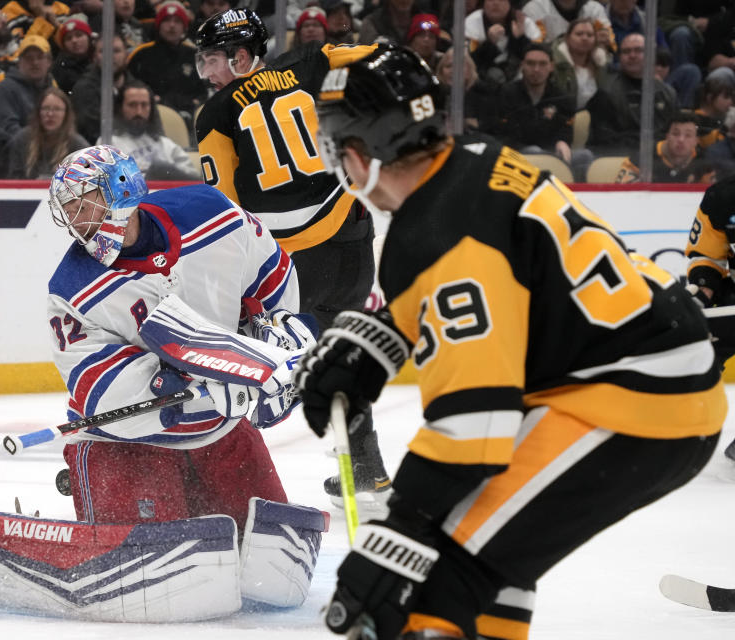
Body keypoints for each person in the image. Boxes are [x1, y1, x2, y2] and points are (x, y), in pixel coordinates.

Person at [298, 44, 726, 640]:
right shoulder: (478, 158)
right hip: (646, 379)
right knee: (493, 567)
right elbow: (500, 281)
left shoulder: (434, 236)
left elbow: (474, 429)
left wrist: (398, 532)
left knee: (431, 578)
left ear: (361, 149)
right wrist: (386, 336)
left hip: (631, 402)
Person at [45, 144, 325, 609]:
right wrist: (159, 385)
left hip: (222, 431)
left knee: (269, 574)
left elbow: (271, 277)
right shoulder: (71, 287)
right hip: (125, 446)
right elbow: (91, 382)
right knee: (158, 585)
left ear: (121, 188)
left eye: (84, 200)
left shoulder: (210, 212)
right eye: (68, 209)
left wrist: (278, 341)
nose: (76, 218)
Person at [194, 8, 392, 505]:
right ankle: (367, 471)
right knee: (341, 349)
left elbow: (226, 211)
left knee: (236, 359)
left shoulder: (217, 114)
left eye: (212, 61)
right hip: (354, 238)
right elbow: (384, 57)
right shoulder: (312, 62)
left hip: (293, 267)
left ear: (242, 58)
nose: (208, 74)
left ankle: (210, 477)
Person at [684, 173, 735, 462]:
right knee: (693, 350)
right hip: (733, 299)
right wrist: (702, 292)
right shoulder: (724, 197)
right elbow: (707, 256)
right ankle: (669, 430)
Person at [587, 33, 677, 155]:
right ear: (619, 57)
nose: (632, 55)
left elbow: (675, 132)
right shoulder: (606, 93)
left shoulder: (667, 93)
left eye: (639, 50)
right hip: (622, 160)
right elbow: (604, 141)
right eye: (626, 51)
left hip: (663, 158)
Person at [98, 81, 200, 180]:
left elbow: (194, 180)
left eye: (144, 105)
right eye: (132, 105)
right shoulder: (107, 144)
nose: (139, 112)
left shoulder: (165, 144)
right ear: (120, 108)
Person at [126, 1, 208, 123]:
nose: (172, 26)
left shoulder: (195, 55)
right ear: (158, 25)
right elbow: (130, 87)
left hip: (190, 120)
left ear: (185, 27)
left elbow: (204, 91)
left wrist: (194, 103)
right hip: (149, 118)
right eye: (167, 20)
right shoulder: (141, 55)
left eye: (177, 21)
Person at [495, 42, 575, 164]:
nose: (536, 69)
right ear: (522, 65)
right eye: (530, 63)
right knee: (534, 151)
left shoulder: (561, 97)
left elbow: (565, 129)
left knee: (585, 156)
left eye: (542, 64)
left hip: (553, 153)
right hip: (516, 156)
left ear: (551, 66)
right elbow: (503, 134)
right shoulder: (507, 93)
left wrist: (562, 142)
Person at [0, 34, 54, 171]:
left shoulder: (53, 91)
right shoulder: (4, 90)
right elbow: (8, 132)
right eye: (29, 58)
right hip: (14, 170)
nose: (35, 62)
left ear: (49, 62)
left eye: (40, 57)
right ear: (19, 62)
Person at [2, 87, 88, 179]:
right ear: (38, 112)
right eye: (45, 108)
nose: (50, 114)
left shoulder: (79, 147)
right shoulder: (22, 139)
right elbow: (14, 178)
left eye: (57, 109)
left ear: (66, 114)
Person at [615, 112, 714, 183]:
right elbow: (622, 193)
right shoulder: (643, 157)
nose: (681, 140)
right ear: (667, 137)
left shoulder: (703, 162)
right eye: (675, 134)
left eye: (688, 135)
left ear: (696, 141)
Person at [71, 32, 134, 144]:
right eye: (103, 51)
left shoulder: (139, 88)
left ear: (126, 55)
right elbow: (93, 132)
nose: (110, 56)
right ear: (95, 57)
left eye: (116, 51)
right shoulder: (83, 90)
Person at [466, 0, 542, 86]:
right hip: (481, 83)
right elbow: (469, 62)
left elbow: (539, 55)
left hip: (519, 83)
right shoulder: (471, 22)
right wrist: (489, 43)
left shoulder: (524, 21)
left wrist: (520, 38)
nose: (496, 3)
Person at [51, 17, 92, 93]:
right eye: (68, 38)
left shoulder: (100, 59)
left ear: (89, 38)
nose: (74, 40)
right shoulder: (59, 69)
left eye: (79, 35)